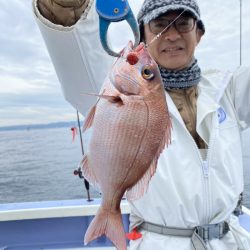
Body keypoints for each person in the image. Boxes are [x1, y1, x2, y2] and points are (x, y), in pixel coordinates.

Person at [32, 0, 250, 249]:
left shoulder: (227, 88)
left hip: (232, 239)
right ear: (142, 35)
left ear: (198, 33)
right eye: (160, 24)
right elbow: (75, 56)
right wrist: (64, 7)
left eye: (183, 23)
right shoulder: (112, 82)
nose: (171, 35)